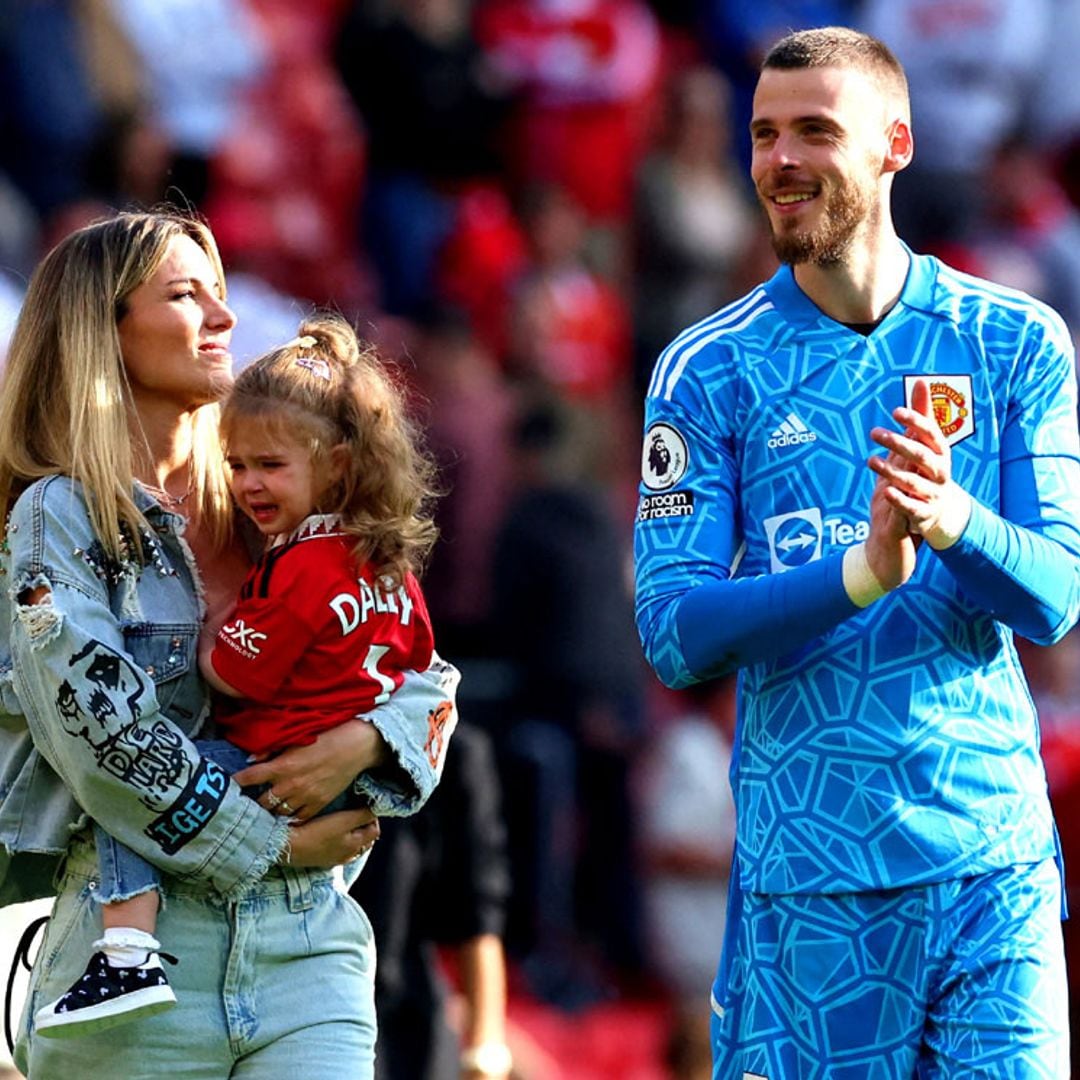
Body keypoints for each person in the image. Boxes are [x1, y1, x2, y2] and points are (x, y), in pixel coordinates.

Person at [633, 26, 1080, 1078]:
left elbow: (1058, 597)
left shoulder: (1013, 340)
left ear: (896, 144)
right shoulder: (706, 373)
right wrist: (860, 575)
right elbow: (673, 632)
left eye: (814, 132)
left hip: (992, 869)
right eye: (763, 136)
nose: (780, 161)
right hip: (810, 885)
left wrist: (953, 521)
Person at [0, 209, 458, 1078]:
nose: (225, 317)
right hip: (131, 972)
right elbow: (105, 739)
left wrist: (365, 744)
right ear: (105, 332)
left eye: (220, 292)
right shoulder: (56, 516)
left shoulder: (284, 505)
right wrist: (272, 845)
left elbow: (422, 676)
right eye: (185, 295)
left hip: (310, 950)